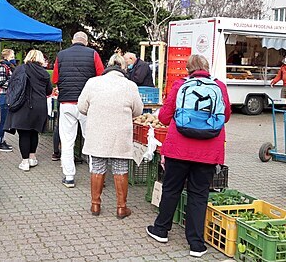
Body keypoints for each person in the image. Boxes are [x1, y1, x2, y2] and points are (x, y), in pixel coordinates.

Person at [146, 54, 231, 258]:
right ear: (207, 68)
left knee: (171, 189)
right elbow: (225, 116)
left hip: (178, 149)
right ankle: (196, 244)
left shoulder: (180, 85)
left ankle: (161, 230)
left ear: (188, 69)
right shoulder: (219, 86)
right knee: (199, 195)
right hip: (208, 150)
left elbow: (165, 117)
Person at [77, 54, 142, 219]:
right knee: (121, 168)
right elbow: (138, 111)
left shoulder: (93, 82)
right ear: (123, 68)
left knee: (97, 167)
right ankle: (121, 207)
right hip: (120, 133)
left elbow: (81, 107)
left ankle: (95, 205)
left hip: (98, 132)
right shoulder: (130, 85)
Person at [52, 31, 104, 188]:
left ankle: (69, 177)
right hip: (87, 105)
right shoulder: (93, 54)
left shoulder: (61, 55)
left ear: (72, 40)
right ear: (86, 42)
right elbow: (101, 77)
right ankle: (96, 175)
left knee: (67, 141)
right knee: (91, 140)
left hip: (67, 103)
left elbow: (55, 79)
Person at [5, 50, 53, 171]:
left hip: (23, 105)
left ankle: (25, 161)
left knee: (24, 134)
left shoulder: (21, 69)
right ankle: (32, 158)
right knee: (34, 132)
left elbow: (13, 86)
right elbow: (48, 91)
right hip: (40, 107)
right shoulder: (45, 73)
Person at [0, 49, 16, 152]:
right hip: (4, 96)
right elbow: (1, 82)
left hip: (7, 96)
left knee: (6, 120)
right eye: (12, 57)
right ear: (6, 57)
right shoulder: (2, 68)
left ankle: (2, 140)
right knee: (3, 121)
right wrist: (14, 85)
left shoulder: (8, 67)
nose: (13, 58)